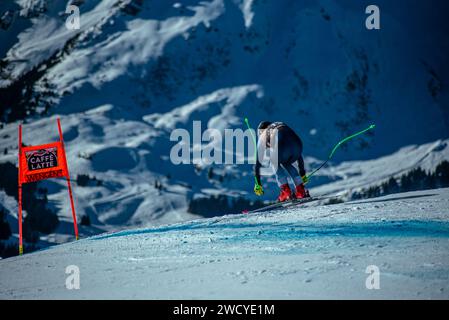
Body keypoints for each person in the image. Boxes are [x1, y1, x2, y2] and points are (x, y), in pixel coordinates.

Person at [254, 121, 310, 202]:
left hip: (282, 147)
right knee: (286, 162)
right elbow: (298, 156)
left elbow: (258, 164)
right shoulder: (279, 124)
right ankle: (301, 190)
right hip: (298, 145)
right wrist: (302, 174)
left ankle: (286, 192)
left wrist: (258, 183)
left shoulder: (263, 134)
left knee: (273, 162)